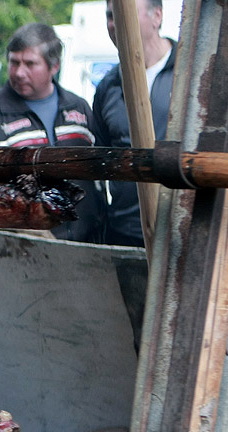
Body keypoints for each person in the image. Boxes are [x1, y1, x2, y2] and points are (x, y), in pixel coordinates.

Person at [0, 23, 106, 243]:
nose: (19, 72)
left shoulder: (79, 109)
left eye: (30, 64)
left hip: (88, 244)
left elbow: (98, 178)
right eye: (14, 62)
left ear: (54, 66)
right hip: (19, 251)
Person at [93, 0, 176, 247]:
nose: (115, 23)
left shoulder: (190, 74)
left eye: (124, 14)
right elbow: (100, 159)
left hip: (182, 231)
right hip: (125, 232)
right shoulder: (108, 87)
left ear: (157, 17)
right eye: (110, 15)